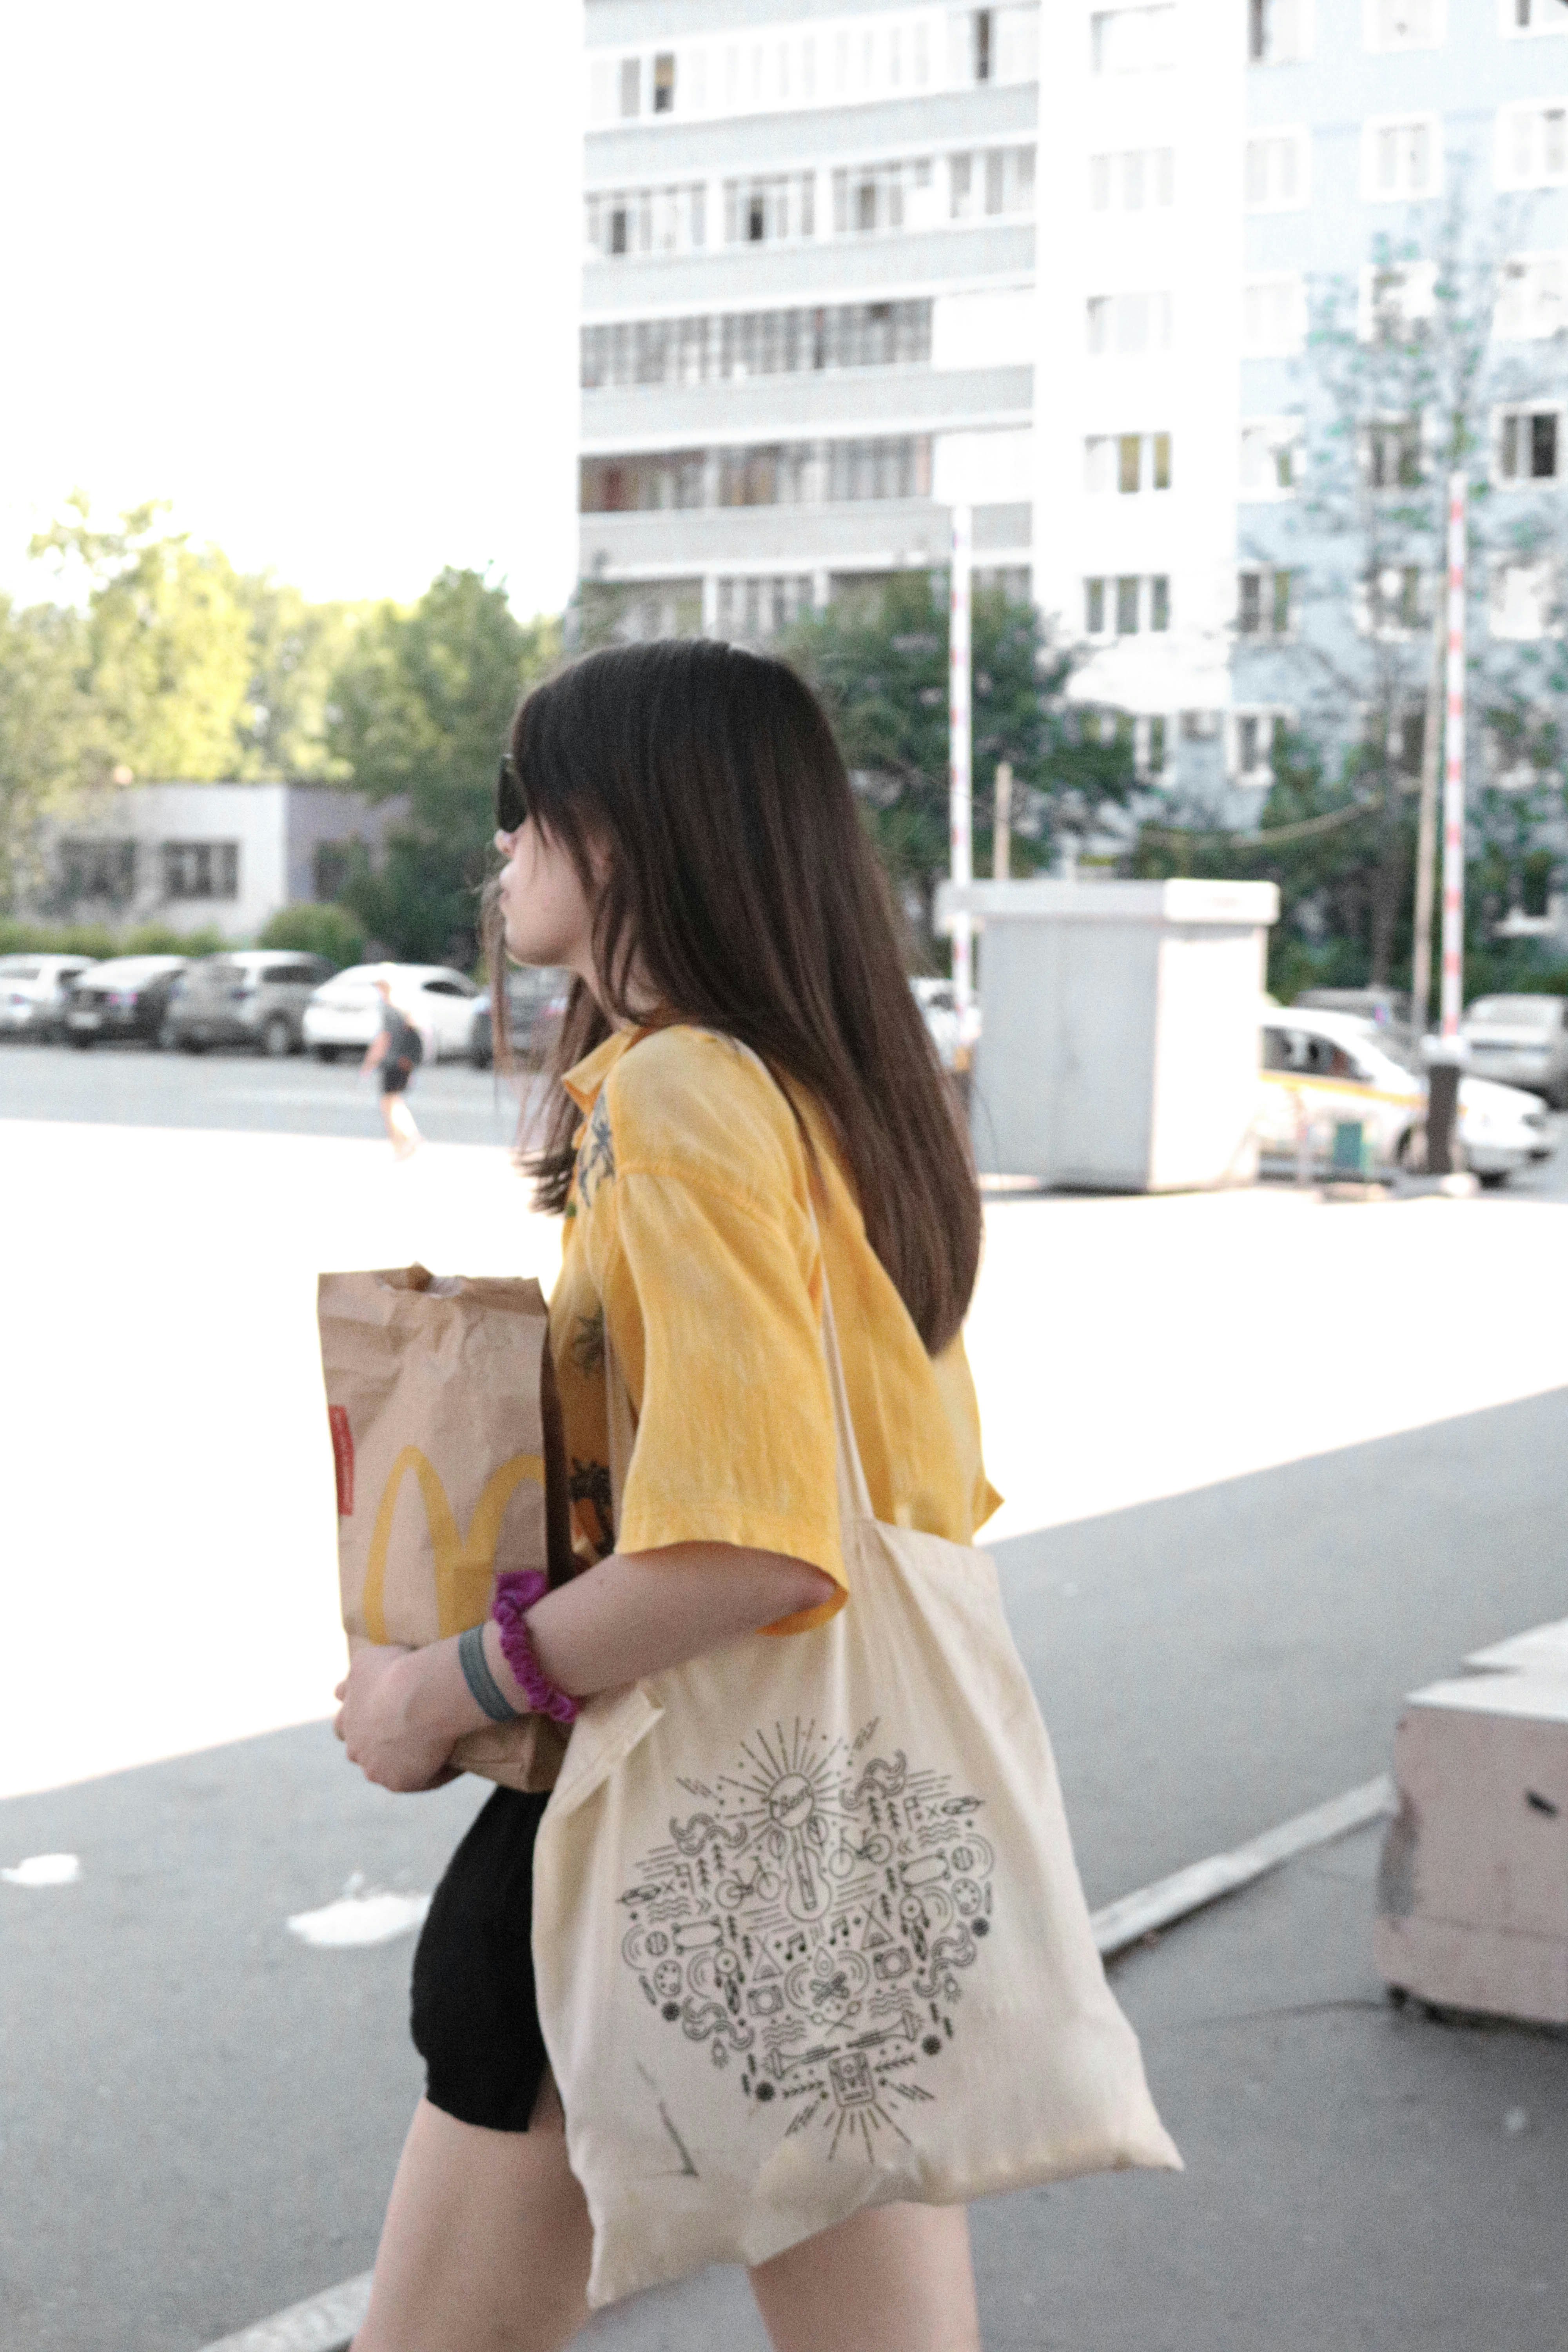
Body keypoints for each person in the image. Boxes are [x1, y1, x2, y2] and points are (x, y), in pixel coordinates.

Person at [335, 640, 998, 2352]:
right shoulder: (830, 1092)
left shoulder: (684, 1088)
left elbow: (746, 1543)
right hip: (830, 1825)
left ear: (610, 835)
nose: (500, 853)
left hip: (666, 1822)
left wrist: (434, 1687)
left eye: (517, 807)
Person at [362, 974, 424, 1160]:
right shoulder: (402, 1011)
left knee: (388, 1104)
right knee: (394, 1101)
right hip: (405, 1063)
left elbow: (384, 1039)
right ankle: (410, 1137)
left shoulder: (388, 1011)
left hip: (392, 1063)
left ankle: (402, 1143)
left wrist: (370, 1062)